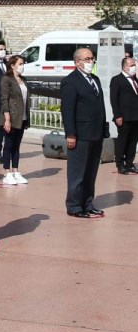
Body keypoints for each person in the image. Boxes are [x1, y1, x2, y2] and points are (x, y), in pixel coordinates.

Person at [61, 48, 107, 218]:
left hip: (95, 133)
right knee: (77, 172)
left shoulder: (94, 79)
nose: (91, 61)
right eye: (87, 59)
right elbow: (67, 110)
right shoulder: (71, 82)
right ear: (77, 62)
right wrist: (70, 134)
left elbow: (99, 106)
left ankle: (88, 203)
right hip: (80, 134)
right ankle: (74, 205)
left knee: (90, 171)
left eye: (92, 58)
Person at [0, 55, 31, 185]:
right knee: (9, 145)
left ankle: (16, 170)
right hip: (10, 117)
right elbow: (4, 99)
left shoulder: (23, 80)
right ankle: (7, 172)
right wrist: (7, 119)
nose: (22, 66)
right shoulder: (6, 79)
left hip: (22, 117)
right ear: (12, 65)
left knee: (17, 145)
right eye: (20, 63)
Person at [110, 57, 138, 175]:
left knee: (133, 141)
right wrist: (117, 115)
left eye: (134, 65)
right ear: (124, 66)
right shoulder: (117, 80)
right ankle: (120, 164)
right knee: (122, 141)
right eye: (132, 65)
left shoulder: (135, 79)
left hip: (136, 116)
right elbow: (114, 99)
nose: (134, 67)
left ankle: (130, 163)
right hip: (124, 116)